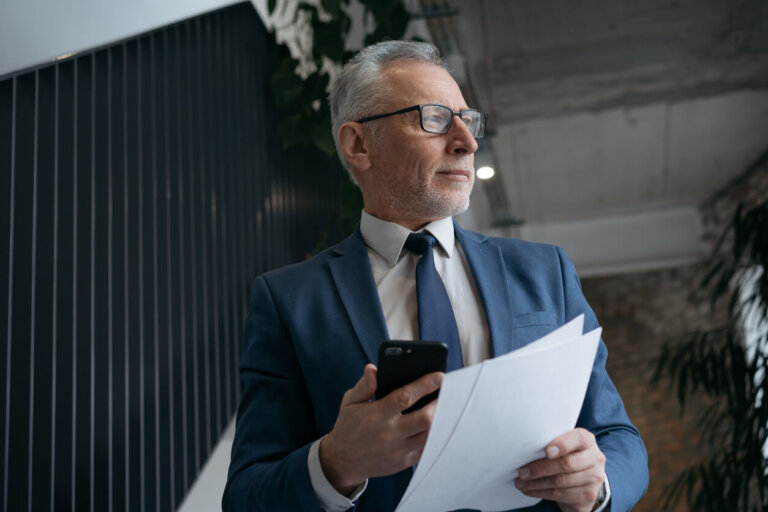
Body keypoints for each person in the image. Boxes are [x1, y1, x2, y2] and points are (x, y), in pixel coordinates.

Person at [223, 41, 648, 512]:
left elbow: (618, 437)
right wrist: (336, 462)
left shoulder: (546, 271)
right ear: (358, 144)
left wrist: (598, 483)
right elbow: (246, 497)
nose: (467, 140)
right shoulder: (288, 301)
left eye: (469, 119)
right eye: (436, 118)